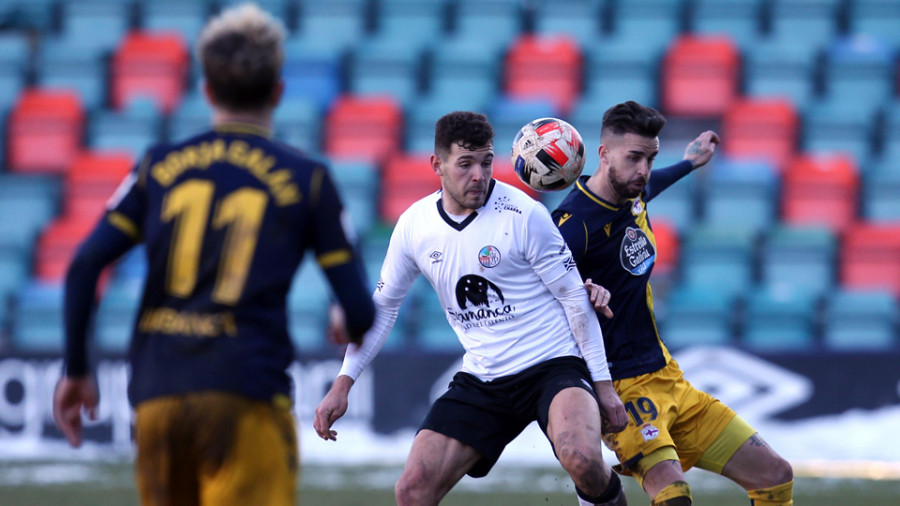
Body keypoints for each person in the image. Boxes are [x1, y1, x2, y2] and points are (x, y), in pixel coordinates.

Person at [52, 4, 375, 505]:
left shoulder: (158, 167)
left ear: (206, 90)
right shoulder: (306, 180)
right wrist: (346, 321)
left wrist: (76, 369)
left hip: (158, 393)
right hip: (244, 390)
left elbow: (83, 267)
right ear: (278, 91)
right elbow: (359, 311)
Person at [314, 111, 629, 506]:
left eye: (485, 161)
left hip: (553, 364)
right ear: (437, 165)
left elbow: (573, 298)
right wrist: (343, 384)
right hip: (485, 376)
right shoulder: (415, 225)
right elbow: (384, 308)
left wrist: (603, 386)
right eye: (465, 164)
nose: (479, 175)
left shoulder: (525, 215)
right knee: (412, 490)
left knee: (584, 461)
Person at [552, 101, 794, 506]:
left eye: (650, 158)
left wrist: (688, 163)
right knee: (673, 495)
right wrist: (581, 296)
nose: (643, 170)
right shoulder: (572, 227)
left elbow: (649, 186)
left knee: (774, 475)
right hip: (622, 389)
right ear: (603, 153)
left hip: (668, 378)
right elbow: (540, 302)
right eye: (634, 158)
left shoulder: (632, 191)